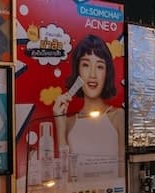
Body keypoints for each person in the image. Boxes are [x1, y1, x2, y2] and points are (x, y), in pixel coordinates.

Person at [53, 34, 124, 181]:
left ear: (107, 73)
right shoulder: (68, 122)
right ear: (77, 70)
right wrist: (60, 123)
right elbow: (64, 179)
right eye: (85, 65)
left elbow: (123, 174)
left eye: (99, 66)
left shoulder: (118, 116)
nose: (92, 74)